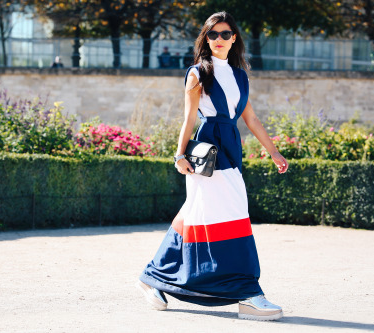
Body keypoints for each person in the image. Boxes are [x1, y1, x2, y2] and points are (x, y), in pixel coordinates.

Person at [136, 11, 289, 321]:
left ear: (234, 38)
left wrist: (274, 152)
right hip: (207, 153)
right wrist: (179, 156)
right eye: (213, 34)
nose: (219, 39)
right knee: (233, 214)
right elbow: (189, 118)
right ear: (206, 39)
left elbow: (251, 119)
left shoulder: (240, 76)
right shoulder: (197, 73)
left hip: (231, 149)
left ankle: (153, 275)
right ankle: (247, 292)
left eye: (225, 34)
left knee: (196, 212)